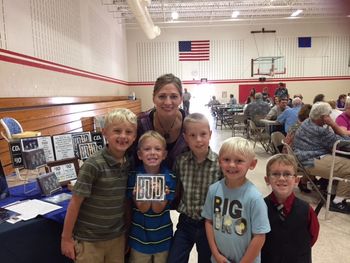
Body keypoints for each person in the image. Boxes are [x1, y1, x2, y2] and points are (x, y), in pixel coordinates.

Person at [61, 108, 138, 263]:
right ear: (105, 132)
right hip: (89, 241)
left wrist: (127, 233)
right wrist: (66, 238)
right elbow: (75, 203)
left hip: (116, 238)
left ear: (135, 136)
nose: (123, 136)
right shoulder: (93, 164)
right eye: (117, 131)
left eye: (128, 132)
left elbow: (125, 202)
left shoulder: (129, 164)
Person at [202, 137, 270, 263]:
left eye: (239, 160)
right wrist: (216, 254)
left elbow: (260, 236)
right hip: (218, 259)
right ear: (219, 161)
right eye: (226, 159)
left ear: (252, 164)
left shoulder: (254, 198)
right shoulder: (213, 190)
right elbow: (209, 222)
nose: (232, 165)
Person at [167, 113, 222, 263]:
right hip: (185, 223)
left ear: (210, 134)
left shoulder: (220, 163)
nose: (198, 140)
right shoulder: (181, 161)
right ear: (185, 138)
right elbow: (174, 186)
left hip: (208, 226)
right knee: (174, 259)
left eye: (203, 134)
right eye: (192, 135)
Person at [127, 131, 176, 263]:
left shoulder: (170, 178)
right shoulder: (133, 177)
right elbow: (142, 208)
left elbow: (158, 209)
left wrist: (161, 196)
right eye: (147, 149)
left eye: (158, 149)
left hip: (163, 238)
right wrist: (139, 197)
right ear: (139, 154)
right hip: (139, 239)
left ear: (164, 154)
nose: (152, 152)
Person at [293, 102, 350, 213]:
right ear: (323, 117)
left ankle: (332, 191)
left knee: (342, 161)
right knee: (348, 167)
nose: (330, 117)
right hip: (310, 161)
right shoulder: (320, 131)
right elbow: (345, 142)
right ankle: (337, 201)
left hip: (302, 157)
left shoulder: (307, 122)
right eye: (328, 115)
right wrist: (333, 125)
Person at [262, 154, 319, 263]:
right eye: (275, 174)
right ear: (267, 179)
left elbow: (312, 237)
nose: (282, 178)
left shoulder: (307, 210)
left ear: (296, 180)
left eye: (287, 174)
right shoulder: (260, 207)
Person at [135, 73, 188, 169]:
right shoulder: (141, 124)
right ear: (153, 98)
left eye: (174, 96)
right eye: (162, 96)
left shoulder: (190, 124)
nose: (168, 102)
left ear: (181, 99)